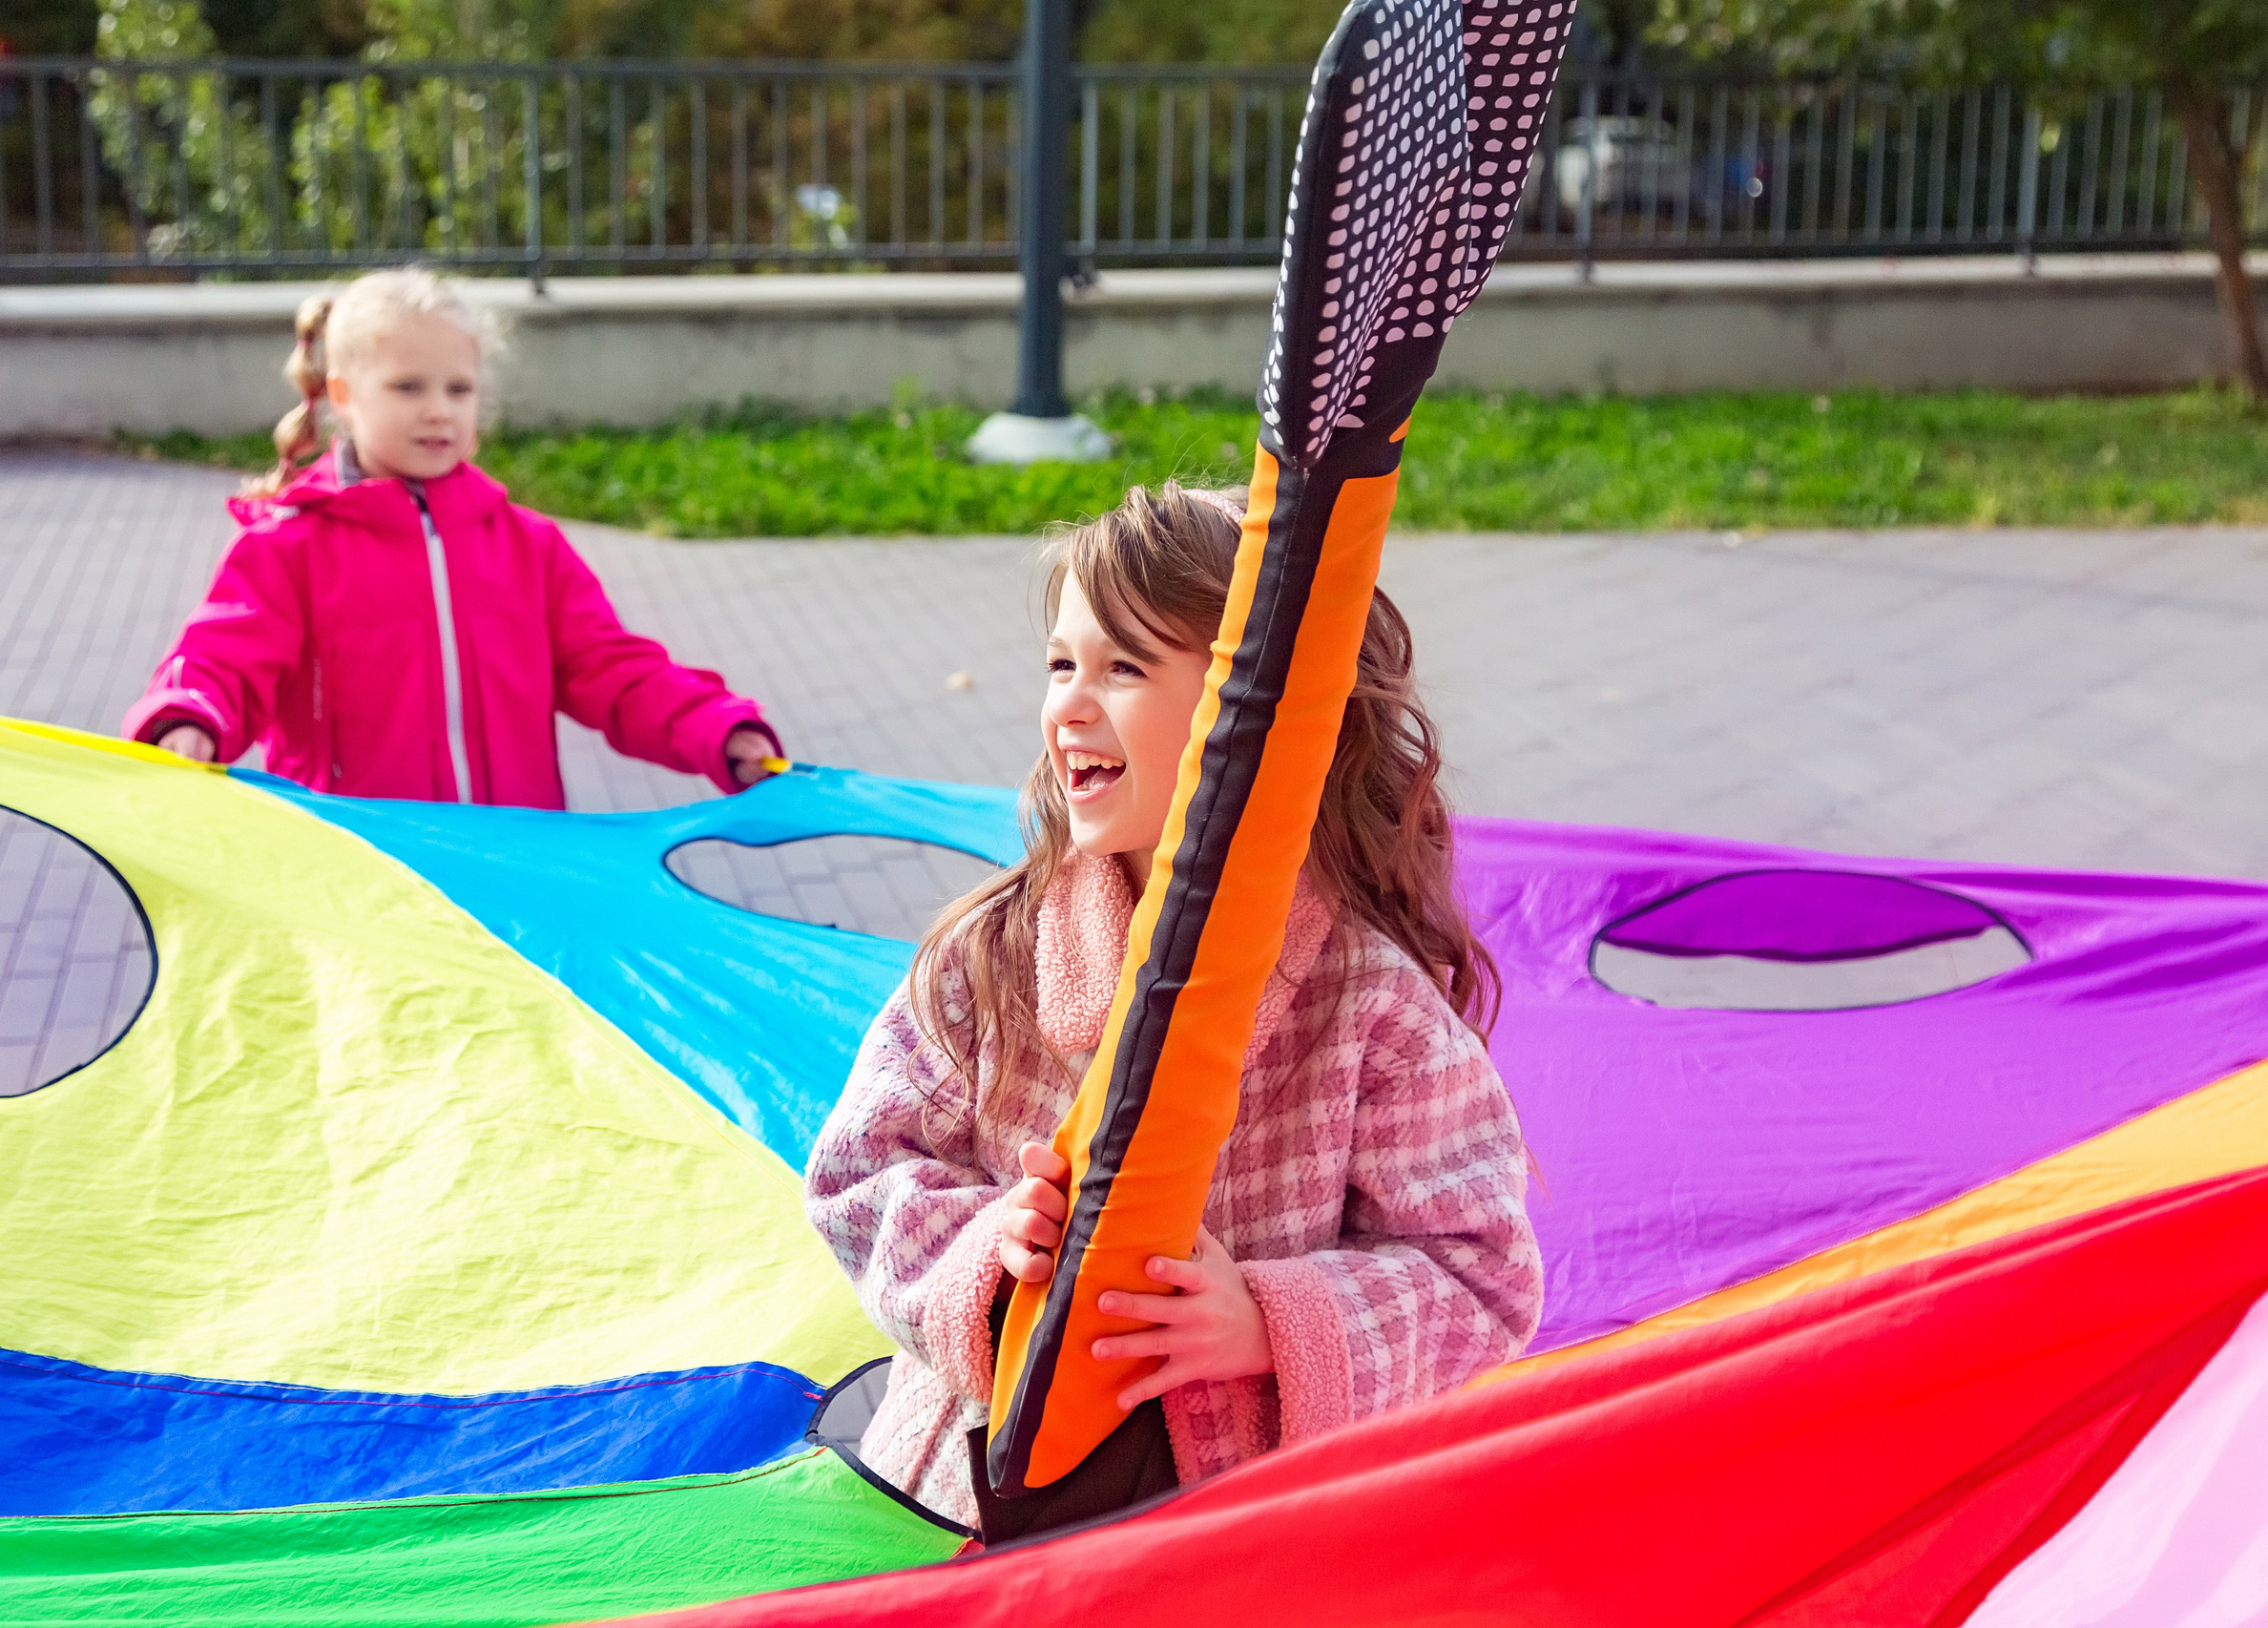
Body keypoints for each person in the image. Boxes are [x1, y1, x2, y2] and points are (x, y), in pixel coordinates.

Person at [805, 482, 1541, 1534]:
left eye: (1123, 667)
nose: (1067, 703)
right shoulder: (992, 955)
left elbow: (1479, 1275)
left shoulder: (1371, 1006)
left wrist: (1270, 1322)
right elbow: (857, 1171)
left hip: (1237, 1526)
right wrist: (982, 1248)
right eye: (1061, 663)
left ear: (1257, 716)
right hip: (972, 1494)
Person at [124, 267, 780, 805]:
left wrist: (716, 729)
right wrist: (187, 718)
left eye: (458, 388)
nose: (438, 409)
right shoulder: (287, 549)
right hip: (361, 871)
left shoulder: (530, 546)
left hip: (512, 866)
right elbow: (221, 659)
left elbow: (614, 670)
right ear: (344, 396)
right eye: (408, 387)